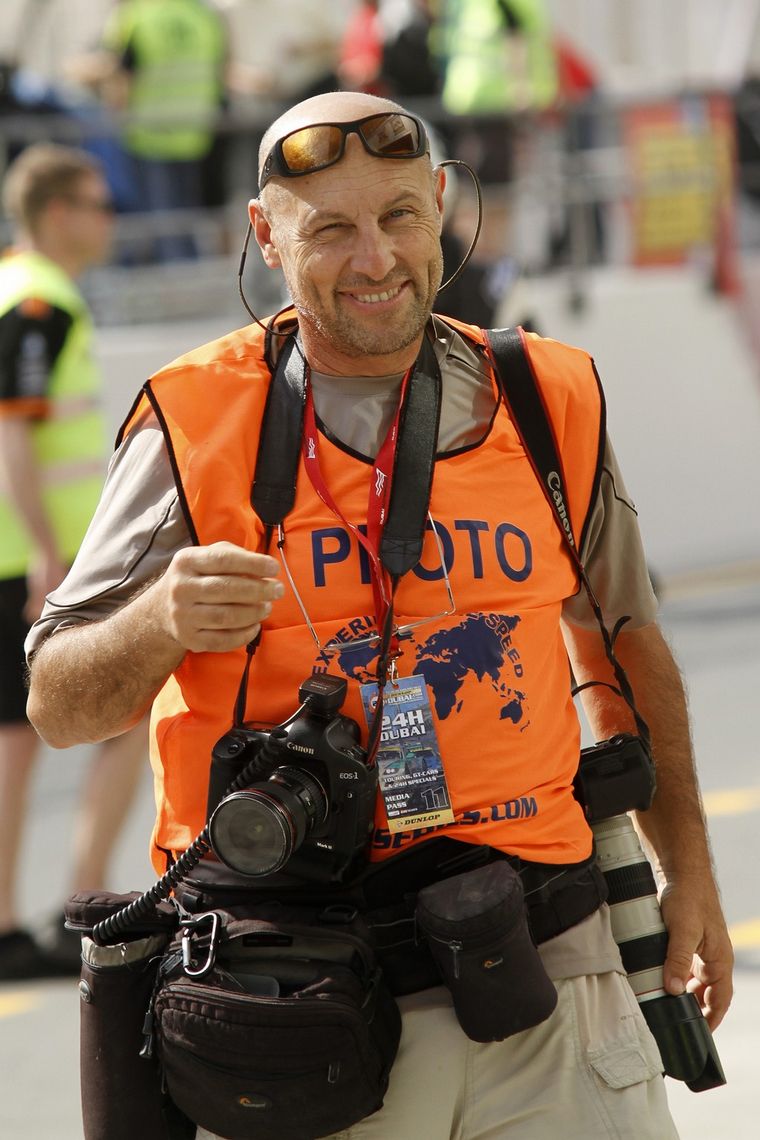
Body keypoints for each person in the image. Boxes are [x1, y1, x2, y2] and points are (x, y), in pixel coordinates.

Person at [25, 91, 733, 1138]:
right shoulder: (196, 414)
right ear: (265, 236)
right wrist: (160, 620)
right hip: (296, 1008)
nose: (375, 258)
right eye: (331, 229)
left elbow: (624, 645)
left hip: (545, 973)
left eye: (400, 214)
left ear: (442, 201)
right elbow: (58, 705)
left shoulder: (545, 397)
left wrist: (691, 880)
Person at [0, 143, 147, 981]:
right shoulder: (37, 303)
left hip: (25, 556)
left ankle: (29, 920)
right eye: (99, 203)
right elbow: (13, 431)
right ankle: (80, 902)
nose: (110, 219)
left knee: (15, 743)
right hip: (34, 562)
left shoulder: (22, 292)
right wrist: (48, 559)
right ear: (59, 211)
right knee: (124, 711)